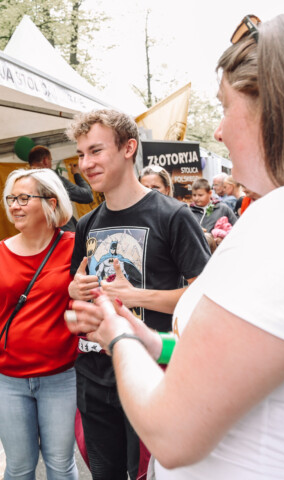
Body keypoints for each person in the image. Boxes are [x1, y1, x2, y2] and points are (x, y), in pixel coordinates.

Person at [67, 10, 284, 479]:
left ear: (278, 108)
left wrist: (118, 336)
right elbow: (242, 359)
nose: (217, 131)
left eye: (224, 106)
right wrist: (149, 340)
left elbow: (170, 433)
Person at [65, 109, 210, 480]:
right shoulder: (86, 224)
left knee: (150, 474)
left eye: (95, 151)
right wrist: (74, 290)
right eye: (81, 154)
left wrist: (138, 297)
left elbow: (205, 298)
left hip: (151, 374)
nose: (85, 163)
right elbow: (76, 292)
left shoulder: (173, 216)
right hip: (95, 373)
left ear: (129, 148)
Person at [0, 168, 79, 480]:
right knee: (19, 466)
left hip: (61, 375)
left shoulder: (75, 248)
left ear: (52, 202)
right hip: (7, 378)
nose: (14, 205)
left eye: (24, 198)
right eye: (11, 198)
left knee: (60, 465)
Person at [28, 145, 94, 232]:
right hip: (62, 232)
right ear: (45, 161)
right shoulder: (50, 178)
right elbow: (86, 196)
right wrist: (77, 175)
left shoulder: (24, 181)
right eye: (50, 160)